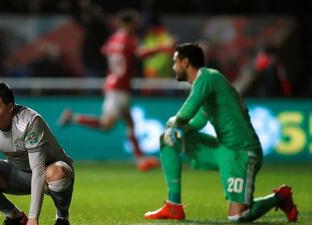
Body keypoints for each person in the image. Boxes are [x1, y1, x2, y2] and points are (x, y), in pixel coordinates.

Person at [144, 43, 298, 222]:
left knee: (238, 216)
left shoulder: (208, 78)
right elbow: (198, 121)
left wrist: (174, 123)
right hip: (223, 148)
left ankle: (279, 198)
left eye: (175, 62)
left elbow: (187, 112)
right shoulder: (207, 84)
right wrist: (177, 130)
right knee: (167, 140)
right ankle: (173, 206)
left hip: (242, 152)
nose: (173, 67)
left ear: (185, 62)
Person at [0, 82, 74, 225]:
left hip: (47, 176)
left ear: (10, 107)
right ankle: (14, 216)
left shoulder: (29, 121)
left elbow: (38, 171)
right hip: (19, 174)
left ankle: (62, 217)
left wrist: (33, 219)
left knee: (58, 173)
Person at [58, 9, 159, 172]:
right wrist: (164, 48)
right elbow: (142, 53)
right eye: (134, 24)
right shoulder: (129, 39)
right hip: (119, 88)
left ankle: (141, 159)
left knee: (130, 123)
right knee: (107, 125)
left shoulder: (113, 39)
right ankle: (73, 118)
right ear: (129, 24)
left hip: (114, 84)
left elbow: (105, 50)